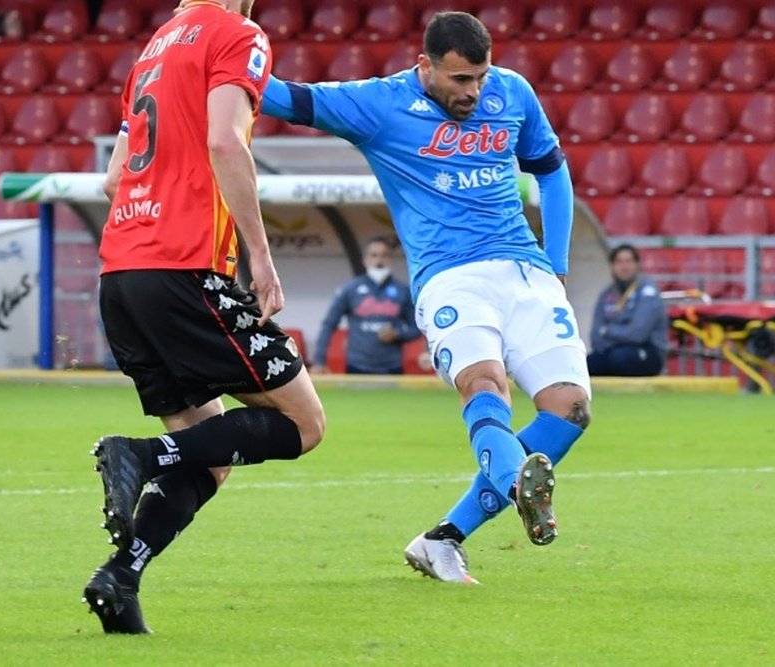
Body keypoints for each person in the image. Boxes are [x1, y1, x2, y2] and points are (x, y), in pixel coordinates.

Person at [260, 10, 591, 584]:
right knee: (484, 385)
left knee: (570, 409)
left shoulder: (512, 92)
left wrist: (557, 265)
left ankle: (443, 540)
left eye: (481, 77)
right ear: (425, 66)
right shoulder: (380, 104)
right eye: (461, 80)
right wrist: (206, 62)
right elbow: (285, 98)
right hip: (451, 276)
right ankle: (520, 484)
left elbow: (552, 173)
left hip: (525, 269)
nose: (475, 91)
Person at [83, 0, 325, 634]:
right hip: (185, 268)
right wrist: (262, 259)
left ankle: (121, 578)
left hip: (121, 274)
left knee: (210, 456)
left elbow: (114, 179)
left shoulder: (155, 48)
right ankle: (137, 453)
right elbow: (223, 140)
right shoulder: (237, 33)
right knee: (303, 423)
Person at [311, 235, 420, 375]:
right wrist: (319, 361)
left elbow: (417, 328)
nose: (379, 261)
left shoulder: (402, 291)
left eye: (384, 255)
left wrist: (397, 334)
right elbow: (328, 324)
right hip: (357, 366)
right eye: (374, 255)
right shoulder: (350, 289)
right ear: (365, 260)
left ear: (390, 259)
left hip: (392, 367)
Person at [586, 243, 669, 377]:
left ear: (637, 264)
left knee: (619, 359)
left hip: (648, 351)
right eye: (618, 262)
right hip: (613, 351)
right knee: (590, 362)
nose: (624, 266)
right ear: (612, 266)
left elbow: (638, 334)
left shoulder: (647, 291)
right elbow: (595, 337)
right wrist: (622, 332)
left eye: (628, 261)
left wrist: (608, 331)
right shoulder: (607, 294)